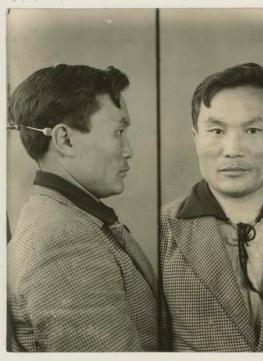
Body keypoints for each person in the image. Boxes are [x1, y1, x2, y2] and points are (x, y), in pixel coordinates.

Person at [160, 63, 263, 351]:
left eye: (252, 130)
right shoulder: (160, 231)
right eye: (216, 131)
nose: (232, 149)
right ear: (195, 139)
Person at [7, 64, 158, 351]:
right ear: (65, 139)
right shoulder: (63, 240)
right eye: (118, 131)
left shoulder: (65, 219)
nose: (129, 150)